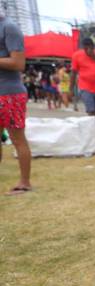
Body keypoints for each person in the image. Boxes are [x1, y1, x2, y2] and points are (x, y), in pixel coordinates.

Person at [0, 13, 31, 195]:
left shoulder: (9, 27)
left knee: (17, 139)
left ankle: (25, 182)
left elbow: (19, 63)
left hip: (10, 93)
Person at [71, 38, 95, 142]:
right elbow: (73, 73)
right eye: (85, 48)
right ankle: (92, 135)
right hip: (84, 87)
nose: (88, 50)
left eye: (90, 47)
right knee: (91, 110)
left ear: (94, 47)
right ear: (83, 47)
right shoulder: (77, 55)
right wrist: (70, 89)